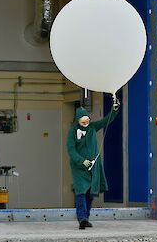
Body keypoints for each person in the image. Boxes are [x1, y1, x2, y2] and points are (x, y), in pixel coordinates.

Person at [66, 97, 120, 230]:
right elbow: (71, 151)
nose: (85, 122)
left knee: (90, 192)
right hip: (79, 168)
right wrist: (82, 161)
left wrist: (114, 110)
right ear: (78, 121)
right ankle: (82, 218)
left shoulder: (92, 127)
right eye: (83, 120)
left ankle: (86, 218)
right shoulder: (72, 132)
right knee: (80, 191)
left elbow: (106, 120)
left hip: (93, 166)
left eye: (87, 120)